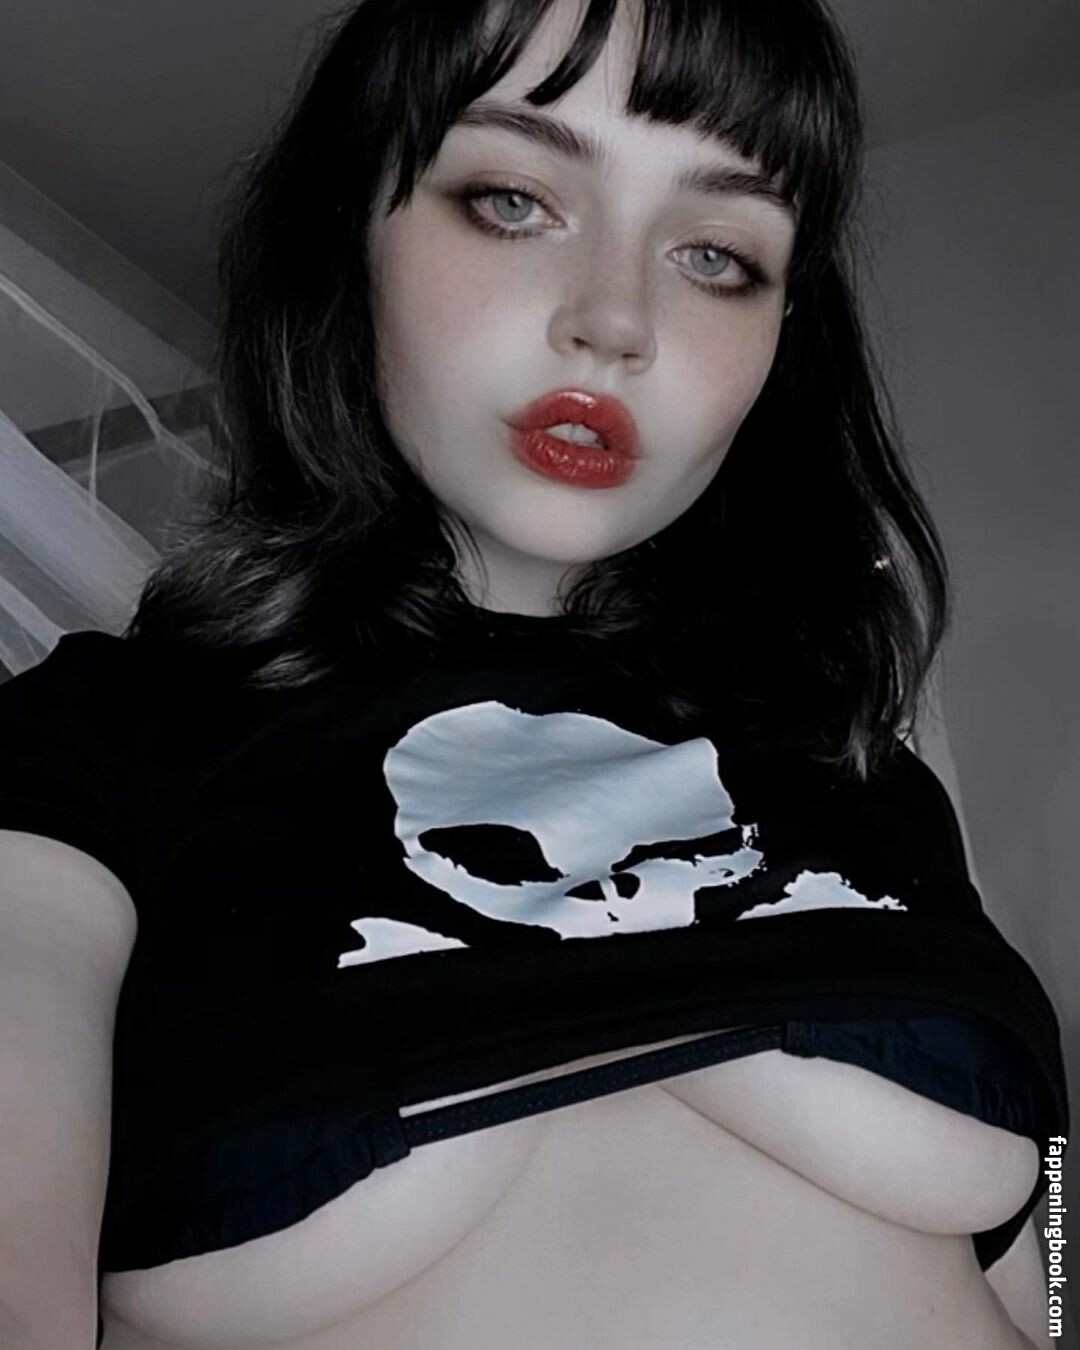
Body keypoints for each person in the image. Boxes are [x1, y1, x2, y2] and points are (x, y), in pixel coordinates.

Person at [0, 1, 1064, 1348]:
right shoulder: (98, 742)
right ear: (350, 229)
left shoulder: (858, 767)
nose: (616, 323)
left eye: (717, 255)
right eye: (512, 200)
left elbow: (1052, 1258)